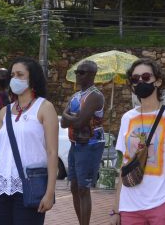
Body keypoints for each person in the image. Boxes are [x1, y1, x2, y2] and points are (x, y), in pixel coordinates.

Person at [109, 58, 165, 225]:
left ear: (158, 81)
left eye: (146, 77)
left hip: (161, 205)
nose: (140, 81)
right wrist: (117, 209)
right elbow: (124, 165)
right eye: (135, 79)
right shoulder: (127, 118)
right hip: (129, 207)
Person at [0, 57, 58, 225]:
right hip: (0, 188)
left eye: (20, 75)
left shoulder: (44, 107)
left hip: (29, 187)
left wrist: (50, 191)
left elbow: (52, 152)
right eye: (12, 75)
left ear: (33, 79)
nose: (15, 79)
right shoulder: (4, 112)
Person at [61, 60, 106, 225]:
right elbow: (63, 122)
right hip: (75, 143)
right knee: (74, 187)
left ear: (92, 75)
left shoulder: (95, 96)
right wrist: (75, 118)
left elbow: (79, 122)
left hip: (90, 145)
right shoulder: (75, 96)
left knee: (83, 188)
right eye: (77, 72)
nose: (78, 75)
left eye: (82, 72)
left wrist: (72, 118)